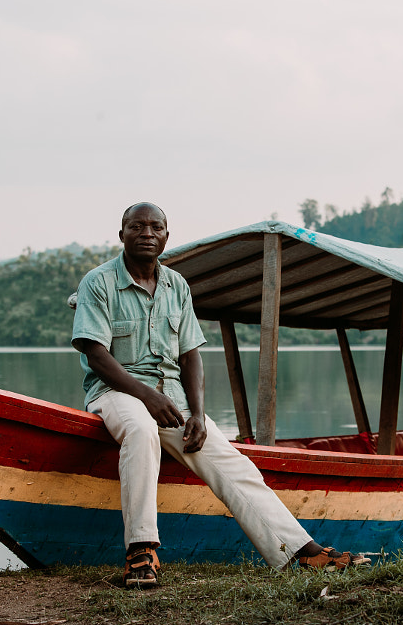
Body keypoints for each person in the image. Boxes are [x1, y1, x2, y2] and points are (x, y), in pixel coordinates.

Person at [71, 202, 369, 587]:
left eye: (156, 227)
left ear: (166, 235)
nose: (147, 233)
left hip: (172, 397)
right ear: (122, 234)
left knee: (233, 463)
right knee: (141, 431)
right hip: (116, 390)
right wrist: (147, 397)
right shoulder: (98, 282)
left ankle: (301, 552)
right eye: (137, 226)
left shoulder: (176, 285)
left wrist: (197, 413)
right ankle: (141, 554)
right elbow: (96, 354)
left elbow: (191, 355)